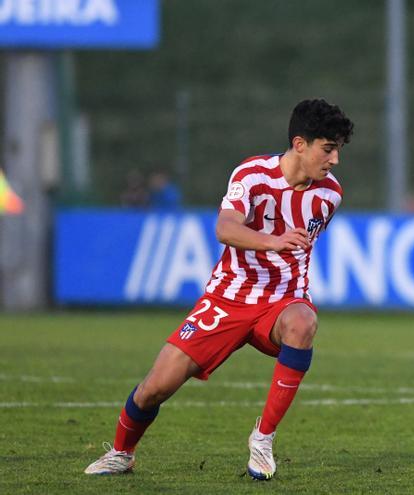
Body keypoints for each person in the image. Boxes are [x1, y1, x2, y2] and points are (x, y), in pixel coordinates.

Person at [85, 99, 354, 480]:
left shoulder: (330, 195)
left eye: (339, 150)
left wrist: (284, 265)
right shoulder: (252, 175)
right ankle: (122, 453)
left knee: (304, 321)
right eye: (328, 149)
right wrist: (272, 241)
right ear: (299, 144)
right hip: (228, 298)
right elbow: (225, 228)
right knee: (155, 388)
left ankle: (263, 439)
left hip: (282, 300)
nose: (335, 160)